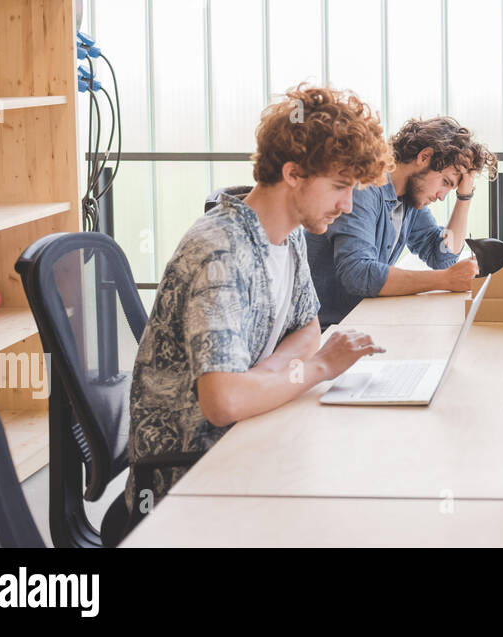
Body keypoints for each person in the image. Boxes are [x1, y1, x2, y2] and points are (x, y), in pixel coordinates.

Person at [126, 85, 390, 517]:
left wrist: (263, 377)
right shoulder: (220, 253)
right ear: (292, 175)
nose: (347, 204)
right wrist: (318, 368)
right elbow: (224, 402)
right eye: (340, 186)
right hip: (191, 476)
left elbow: (308, 328)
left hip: (250, 430)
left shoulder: (287, 235)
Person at [307, 115, 498, 326]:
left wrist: (464, 198)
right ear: (424, 157)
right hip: (325, 331)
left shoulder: (409, 199)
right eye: (445, 182)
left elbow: (442, 256)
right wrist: (445, 280)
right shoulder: (365, 188)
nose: (442, 196)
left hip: (359, 323)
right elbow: (357, 273)